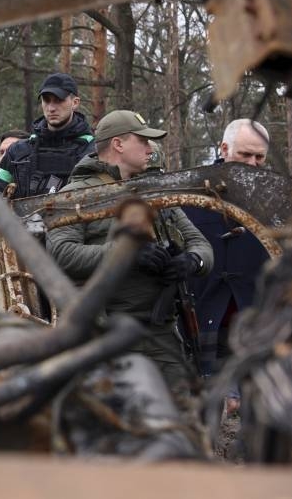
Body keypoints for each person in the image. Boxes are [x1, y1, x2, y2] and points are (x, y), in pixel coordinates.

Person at [47, 110, 213, 391]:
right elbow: (61, 253)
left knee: (181, 416)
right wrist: (127, 254)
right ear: (118, 145)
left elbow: (201, 245)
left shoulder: (153, 190)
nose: (150, 149)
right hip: (105, 333)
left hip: (161, 332)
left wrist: (192, 261)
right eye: (143, 141)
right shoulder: (76, 195)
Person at [183, 119, 270, 411]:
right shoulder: (191, 191)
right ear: (223, 148)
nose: (253, 163)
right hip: (205, 312)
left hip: (253, 317)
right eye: (245, 155)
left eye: (259, 157)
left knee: (258, 406)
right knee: (204, 406)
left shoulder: (273, 198)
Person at [0, 73, 94, 197]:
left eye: (58, 100)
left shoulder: (91, 150)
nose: (51, 108)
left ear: (75, 102)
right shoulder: (18, 151)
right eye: (46, 100)